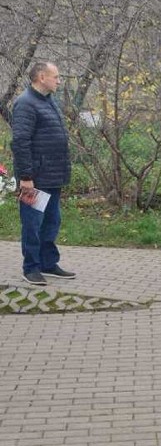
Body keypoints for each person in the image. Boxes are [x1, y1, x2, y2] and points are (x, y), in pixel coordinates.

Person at [11, 62, 76, 285]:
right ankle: (31, 267)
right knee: (32, 223)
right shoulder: (26, 104)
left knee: (52, 221)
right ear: (41, 77)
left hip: (53, 176)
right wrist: (26, 177)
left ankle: (48, 263)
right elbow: (20, 142)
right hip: (34, 179)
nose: (59, 81)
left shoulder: (48, 101)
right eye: (55, 76)